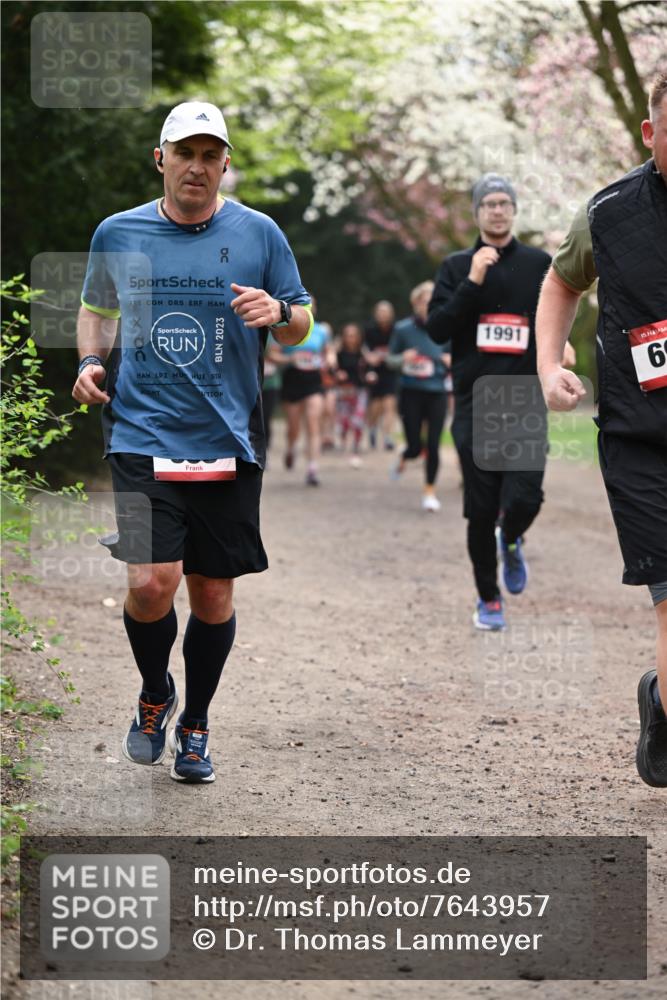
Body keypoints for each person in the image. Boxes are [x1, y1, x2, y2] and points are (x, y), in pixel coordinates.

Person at [72, 101, 312, 784]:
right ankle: (155, 693)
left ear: (225, 164)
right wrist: (90, 363)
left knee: (210, 597)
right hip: (141, 432)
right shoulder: (118, 232)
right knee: (151, 583)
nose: (198, 167)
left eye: (211, 155)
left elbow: (300, 320)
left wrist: (281, 313)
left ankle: (196, 723)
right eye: (186, 153)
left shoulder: (260, 233)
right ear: (162, 159)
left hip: (228, 438)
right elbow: (96, 309)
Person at [536, 72, 667, 788]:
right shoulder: (610, 212)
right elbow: (561, 283)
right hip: (641, 440)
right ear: (649, 134)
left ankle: (659, 702)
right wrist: (545, 365)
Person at [427, 173, 573, 630]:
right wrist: (473, 281)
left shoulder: (538, 263)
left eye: (504, 202)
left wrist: (561, 347)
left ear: (513, 210)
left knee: (527, 497)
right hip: (475, 402)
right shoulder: (456, 266)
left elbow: (557, 311)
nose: (496, 209)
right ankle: (488, 598)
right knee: (481, 507)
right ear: (476, 212)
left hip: (525, 397)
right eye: (488, 203)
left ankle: (511, 538)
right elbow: (437, 329)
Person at [387, 281, 450, 512]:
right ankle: (405, 456)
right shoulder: (403, 329)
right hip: (411, 393)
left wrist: (449, 361)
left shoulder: (445, 329)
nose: (430, 305)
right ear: (416, 303)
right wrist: (403, 358)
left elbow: (456, 358)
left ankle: (430, 492)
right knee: (415, 446)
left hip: (437, 393)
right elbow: (389, 360)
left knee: (433, 445)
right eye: (425, 300)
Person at [266, 298, 334, 486]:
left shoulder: (321, 330)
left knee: (313, 421)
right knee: (293, 427)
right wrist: (290, 359)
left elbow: (329, 351)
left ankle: (312, 468)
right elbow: (272, 355)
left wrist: (329, 359)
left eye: (313, 305)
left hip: (314, 379)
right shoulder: (282, 327)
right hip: (292, 379)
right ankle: (290, 448)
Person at [334, 322, 372, 467]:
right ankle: (344, 440)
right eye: (348, 335)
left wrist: (370, 375)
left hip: (360, 390)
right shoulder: (338, 353)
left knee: (358, 420)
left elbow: (369, 369)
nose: (351, 338)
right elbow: (332, 369)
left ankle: (355, 447)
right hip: (343, 391)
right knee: (344, 421)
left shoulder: (363, 353)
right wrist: (338, 373)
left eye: (353, 335)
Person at [364, 299, 398, 450]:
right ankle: (372, 428)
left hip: (390, 370)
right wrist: (369, 357)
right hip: (375, 371)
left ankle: (388, 437)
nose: (382, 315)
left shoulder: (396, 330)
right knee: (376, 405)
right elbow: (363, 347)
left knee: (389, 404)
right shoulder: (369, 330)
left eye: (385, 312)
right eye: (380, 312)